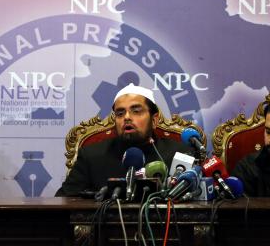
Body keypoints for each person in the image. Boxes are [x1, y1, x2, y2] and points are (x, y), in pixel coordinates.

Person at [55, 83, 194, 197]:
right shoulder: (92, 155)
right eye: (120, 113)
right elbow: (64, 200)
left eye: (136, 111)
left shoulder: (180, 154)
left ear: (154, 120)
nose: (127, 117)